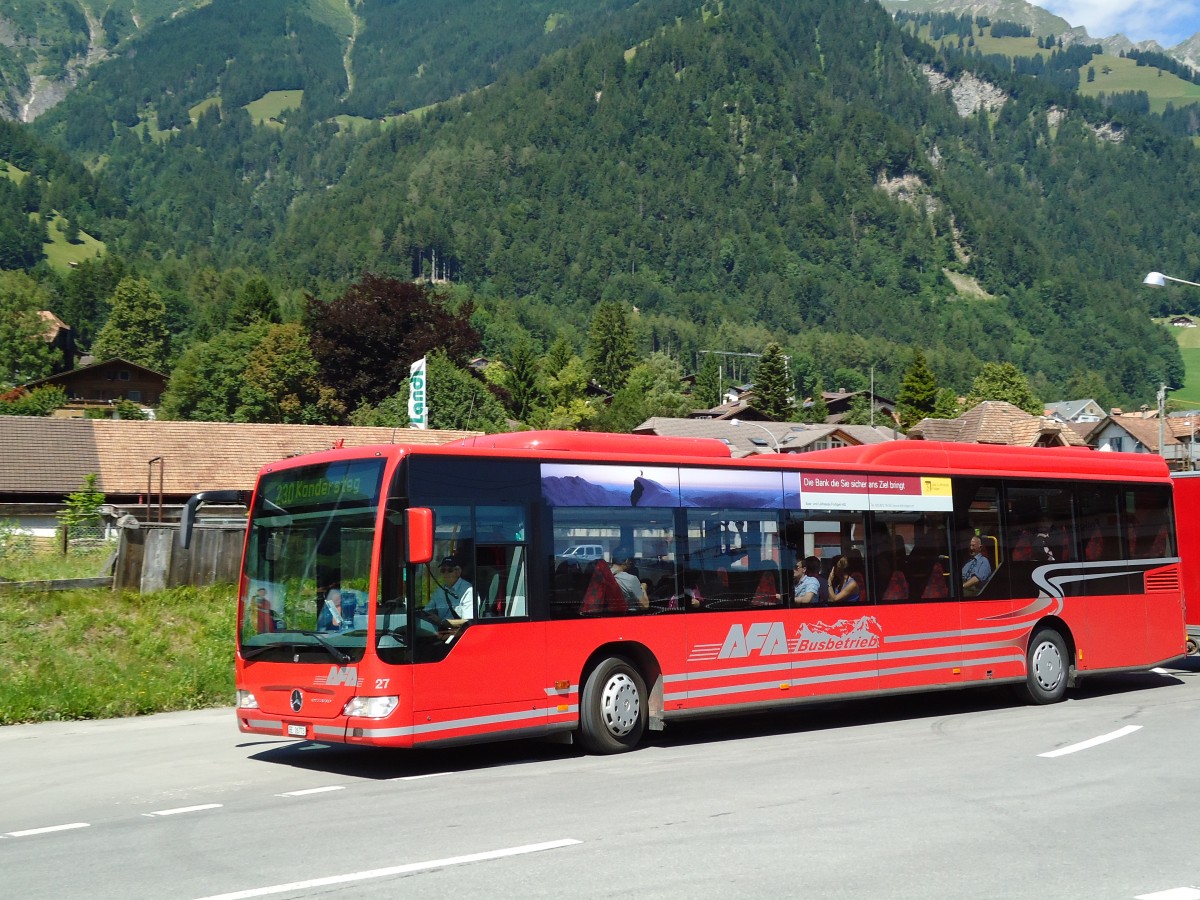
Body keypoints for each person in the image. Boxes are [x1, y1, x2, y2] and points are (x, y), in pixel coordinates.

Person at [426, 555, 475, 622]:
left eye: (449, 570)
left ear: (458, 572)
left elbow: (468, 622)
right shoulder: (439, 591)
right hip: (441, 630)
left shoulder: (468, 591)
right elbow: (427, 611)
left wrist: (441, 621)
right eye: (443, 570)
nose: (445, 574)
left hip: (459, 631)